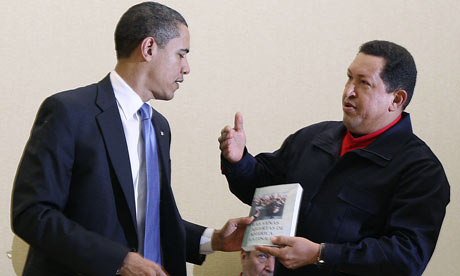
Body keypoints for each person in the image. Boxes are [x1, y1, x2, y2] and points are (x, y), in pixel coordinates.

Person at [11, 2, 253, 276]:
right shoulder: (69, 112)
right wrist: (119, 260)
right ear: (149, 48)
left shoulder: (159, 127)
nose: (186, 68)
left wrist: (215, 239)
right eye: (181, 54)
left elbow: (146, 219)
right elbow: (32, 214)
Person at [218, 40, 450, 275]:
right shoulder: (313, 137)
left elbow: (406, 257)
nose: (349, 91)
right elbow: (265, 191)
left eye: (364, 83)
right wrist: (239, 161)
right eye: (349, 77)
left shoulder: (422, 170)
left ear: (397, 99)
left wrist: (321, 254)